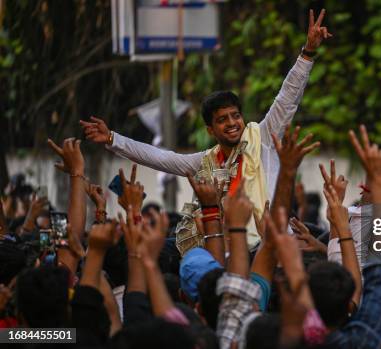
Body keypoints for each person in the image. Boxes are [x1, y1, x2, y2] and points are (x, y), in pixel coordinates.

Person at [80, 9, 332, 250]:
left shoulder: (263, 137)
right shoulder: (205, 161)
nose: (232, 123)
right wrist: (113, 139)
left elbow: (287, 99)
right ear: (211, 130)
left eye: (236, 115)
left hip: (270, 245)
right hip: (226, 249)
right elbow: (162, 158)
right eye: (223, 119)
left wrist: (307, 53)